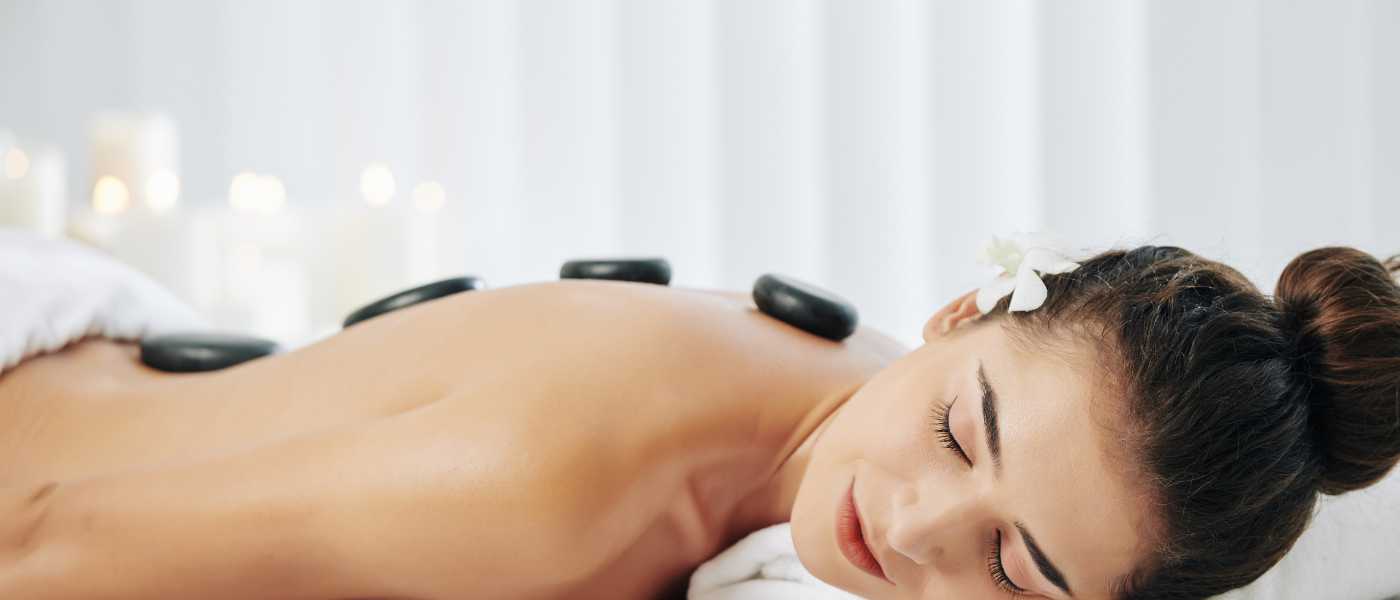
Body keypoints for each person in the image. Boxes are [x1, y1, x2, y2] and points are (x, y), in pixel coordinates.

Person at [0, 243, 1396, 600]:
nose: (914, 530)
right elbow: (49, 545)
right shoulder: (552, 487)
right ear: (965, 311)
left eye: (1016, 568)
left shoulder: (839, 390)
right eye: (964, 437)